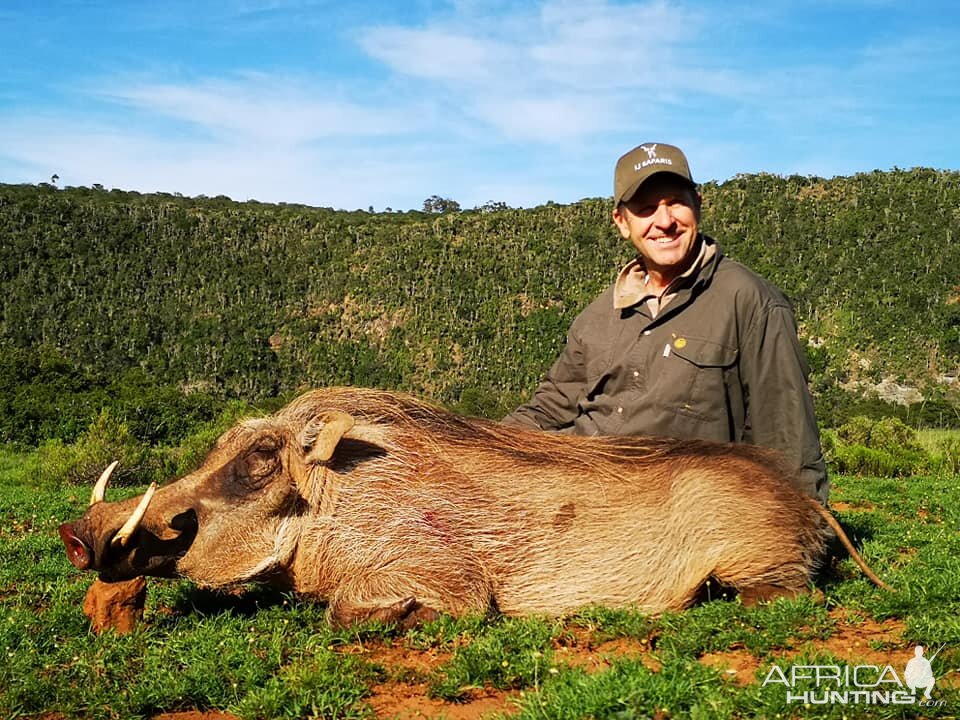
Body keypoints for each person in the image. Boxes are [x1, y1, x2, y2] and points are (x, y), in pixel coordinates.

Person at [503, 142, 828, 504]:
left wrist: (805, 530)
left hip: (673, 514)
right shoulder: (597, 314)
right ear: (622, 223)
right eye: (645, 209)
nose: (664, 221)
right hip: (578, 495)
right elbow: (551, 406)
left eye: (675, 202)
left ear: (698, 205)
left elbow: (788, 436)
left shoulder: (751, 301)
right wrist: (476, 447)